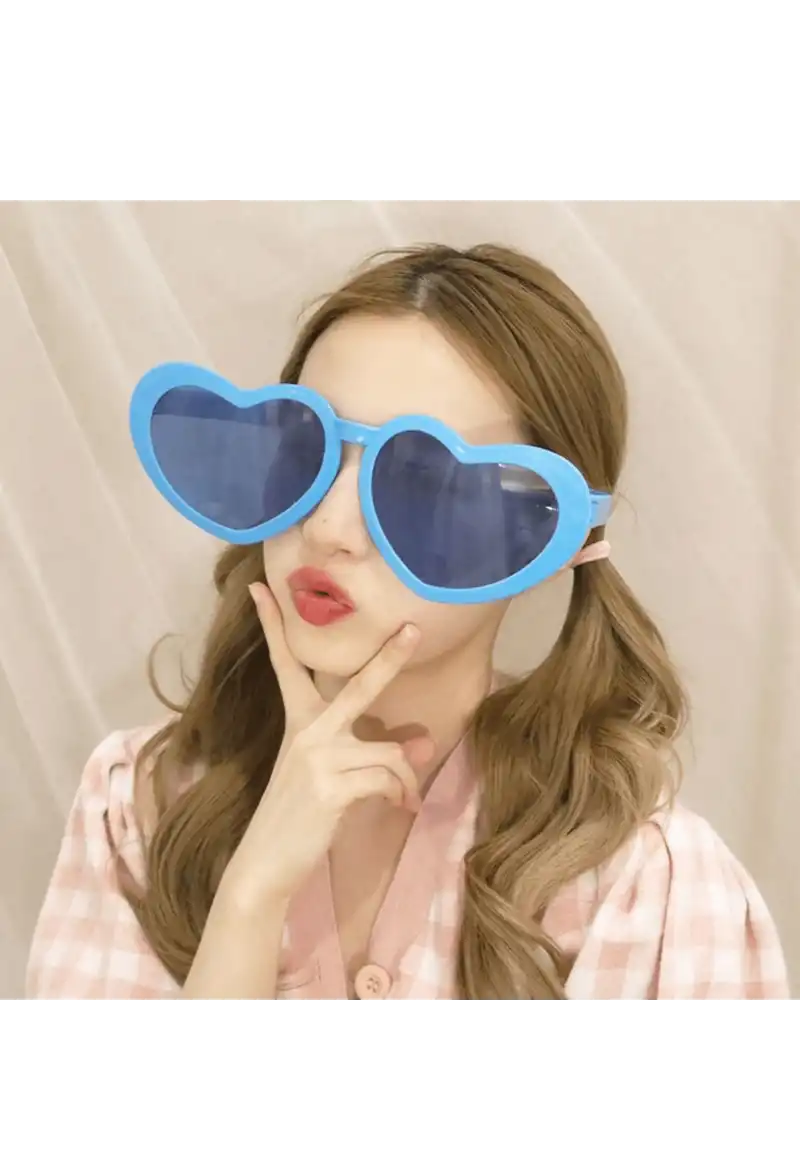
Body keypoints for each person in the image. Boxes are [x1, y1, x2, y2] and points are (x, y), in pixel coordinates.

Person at [26, 242, 789, 1000]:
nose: (327, 528)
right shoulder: (138, 811)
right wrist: (250, 897)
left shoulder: (646, 891)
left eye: (421, 482)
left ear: (545, 538)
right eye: (307, 448)